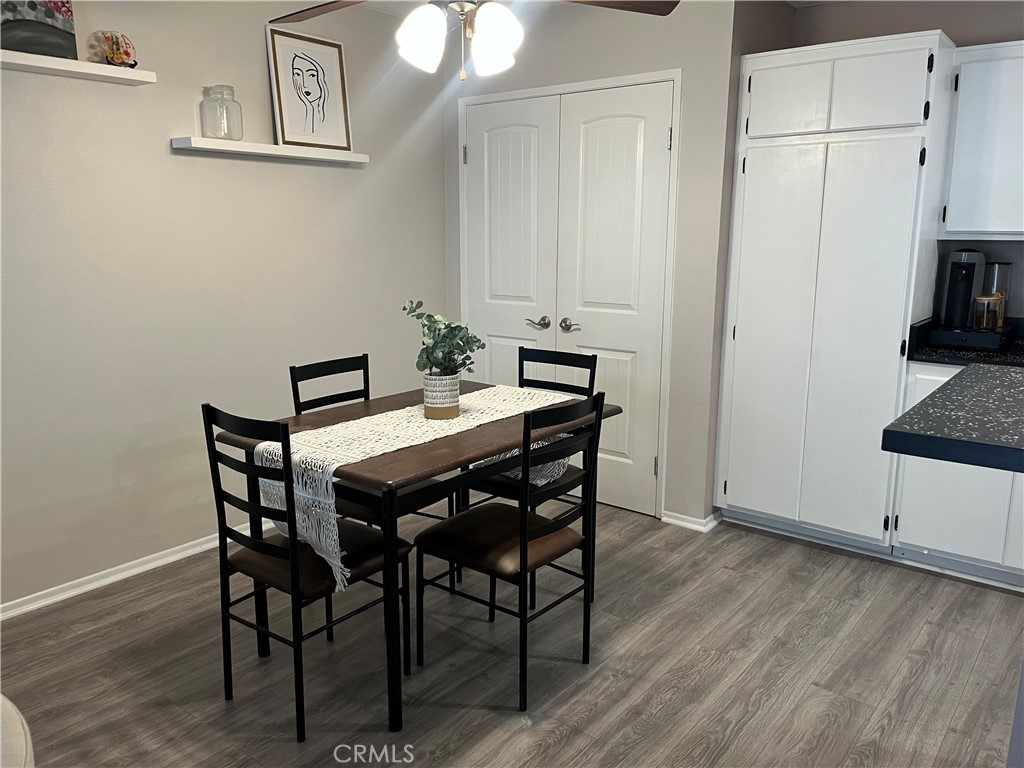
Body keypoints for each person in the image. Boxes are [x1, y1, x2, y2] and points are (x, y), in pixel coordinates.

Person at [291, 52, 329, 134]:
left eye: (312, 75)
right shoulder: (292, 117)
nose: (305, 84)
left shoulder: (330, 119)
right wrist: (309, 107)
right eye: (298, 74)